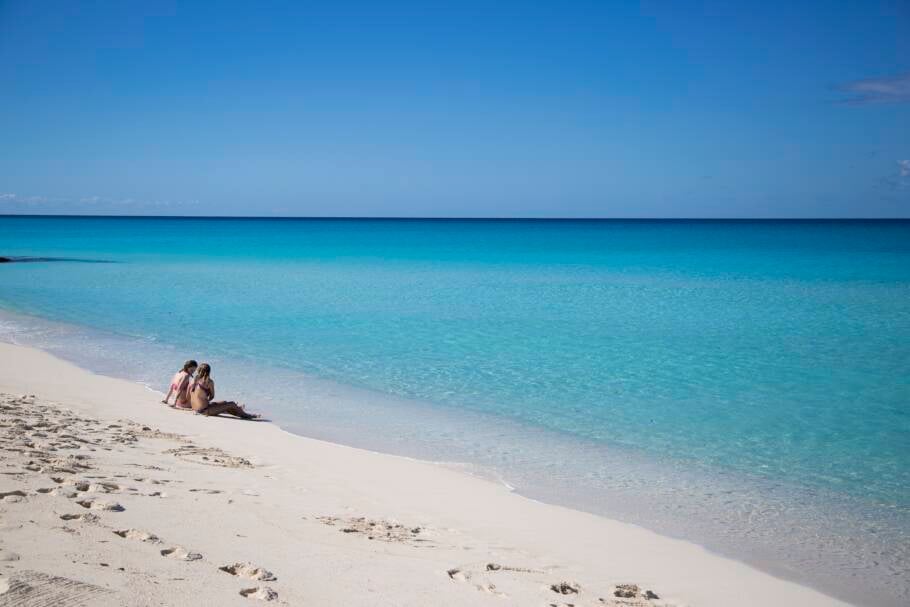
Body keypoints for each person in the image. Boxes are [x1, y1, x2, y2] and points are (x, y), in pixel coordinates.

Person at [189, 363, 260, 420]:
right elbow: (212, 396)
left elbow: (191, 395)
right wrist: (206, 396)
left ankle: (241, 414)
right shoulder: (209, 382)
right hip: (205, 410)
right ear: (209, 372)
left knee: (225, 402)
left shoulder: (194, 380)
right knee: (231, 404)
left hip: (196, 409)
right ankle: (247, 415)